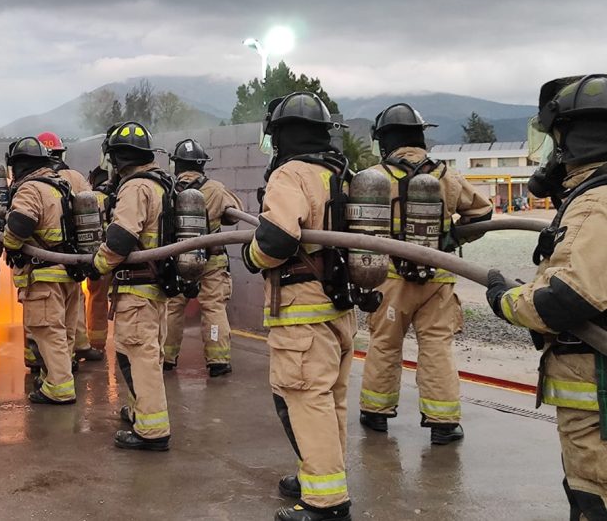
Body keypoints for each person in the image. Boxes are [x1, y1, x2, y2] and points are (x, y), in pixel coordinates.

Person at [485, 75, 607, 519]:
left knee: (593, 496)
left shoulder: (596, 203)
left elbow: (565, 300)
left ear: (574, 137)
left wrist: (505, 300)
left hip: (596, 392)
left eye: (555, 138)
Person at [243, 92, 354, 521]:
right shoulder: (341, 173)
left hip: (302, 311)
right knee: (330, 400)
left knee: (305, 399)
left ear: (282, 136)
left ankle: (325, 503)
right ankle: (322, 475)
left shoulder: (291, 174)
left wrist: (252, 258)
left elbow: (276, 240)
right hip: (340, 309)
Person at [358, 103, 493, 444]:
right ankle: (443, 423)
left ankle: (375, 413)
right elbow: (482, 212)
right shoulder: (445, 176)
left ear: (383, 140)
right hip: (439, 277)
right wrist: (452, 236)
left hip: (389, 278)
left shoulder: (375, 177)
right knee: (436, 347)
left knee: (385, 345)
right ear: (420, 135)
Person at [90, 121, 173, 451]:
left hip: (137, 291)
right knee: (143, 355)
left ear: (116, 160)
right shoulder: (160, 184)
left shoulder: (135, 187)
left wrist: (96, 265)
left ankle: (152, 431)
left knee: (139, 358)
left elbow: (121, 238)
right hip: (153, 290)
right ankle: (142, 411)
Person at [2, 136, 80, 405]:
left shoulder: (31, 189)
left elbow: (21, 223)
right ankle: (54, 378)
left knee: (48, 332)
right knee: (64, 334)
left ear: (20, 165)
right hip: (68, 274)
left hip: (44, 276)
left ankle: (59, 388)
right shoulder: (61, 186)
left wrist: (10, 245)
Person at [163, 138, 243, 377]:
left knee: (172, 308)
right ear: (202, 165)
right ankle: (218, 361)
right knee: (213, 307)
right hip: (212, 260)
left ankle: (167, 357)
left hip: (176, 260)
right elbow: (234, 215)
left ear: (176, 164)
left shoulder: (167, 188)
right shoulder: (215, 188)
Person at [37, 131, 103, 363]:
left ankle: (41, 359)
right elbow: (93, 209)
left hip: (42, 257)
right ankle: (80, 345)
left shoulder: (32, 182)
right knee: (74, 299)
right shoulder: (75, 176)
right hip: (75, 254)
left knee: (42, 310)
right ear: (60, 152)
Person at [85, 165, 115, 351]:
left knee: (97, 298)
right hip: (123, 256)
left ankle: (96, 344)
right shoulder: (121, 195)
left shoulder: (89, 199)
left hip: (96, 258)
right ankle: (125, 343)